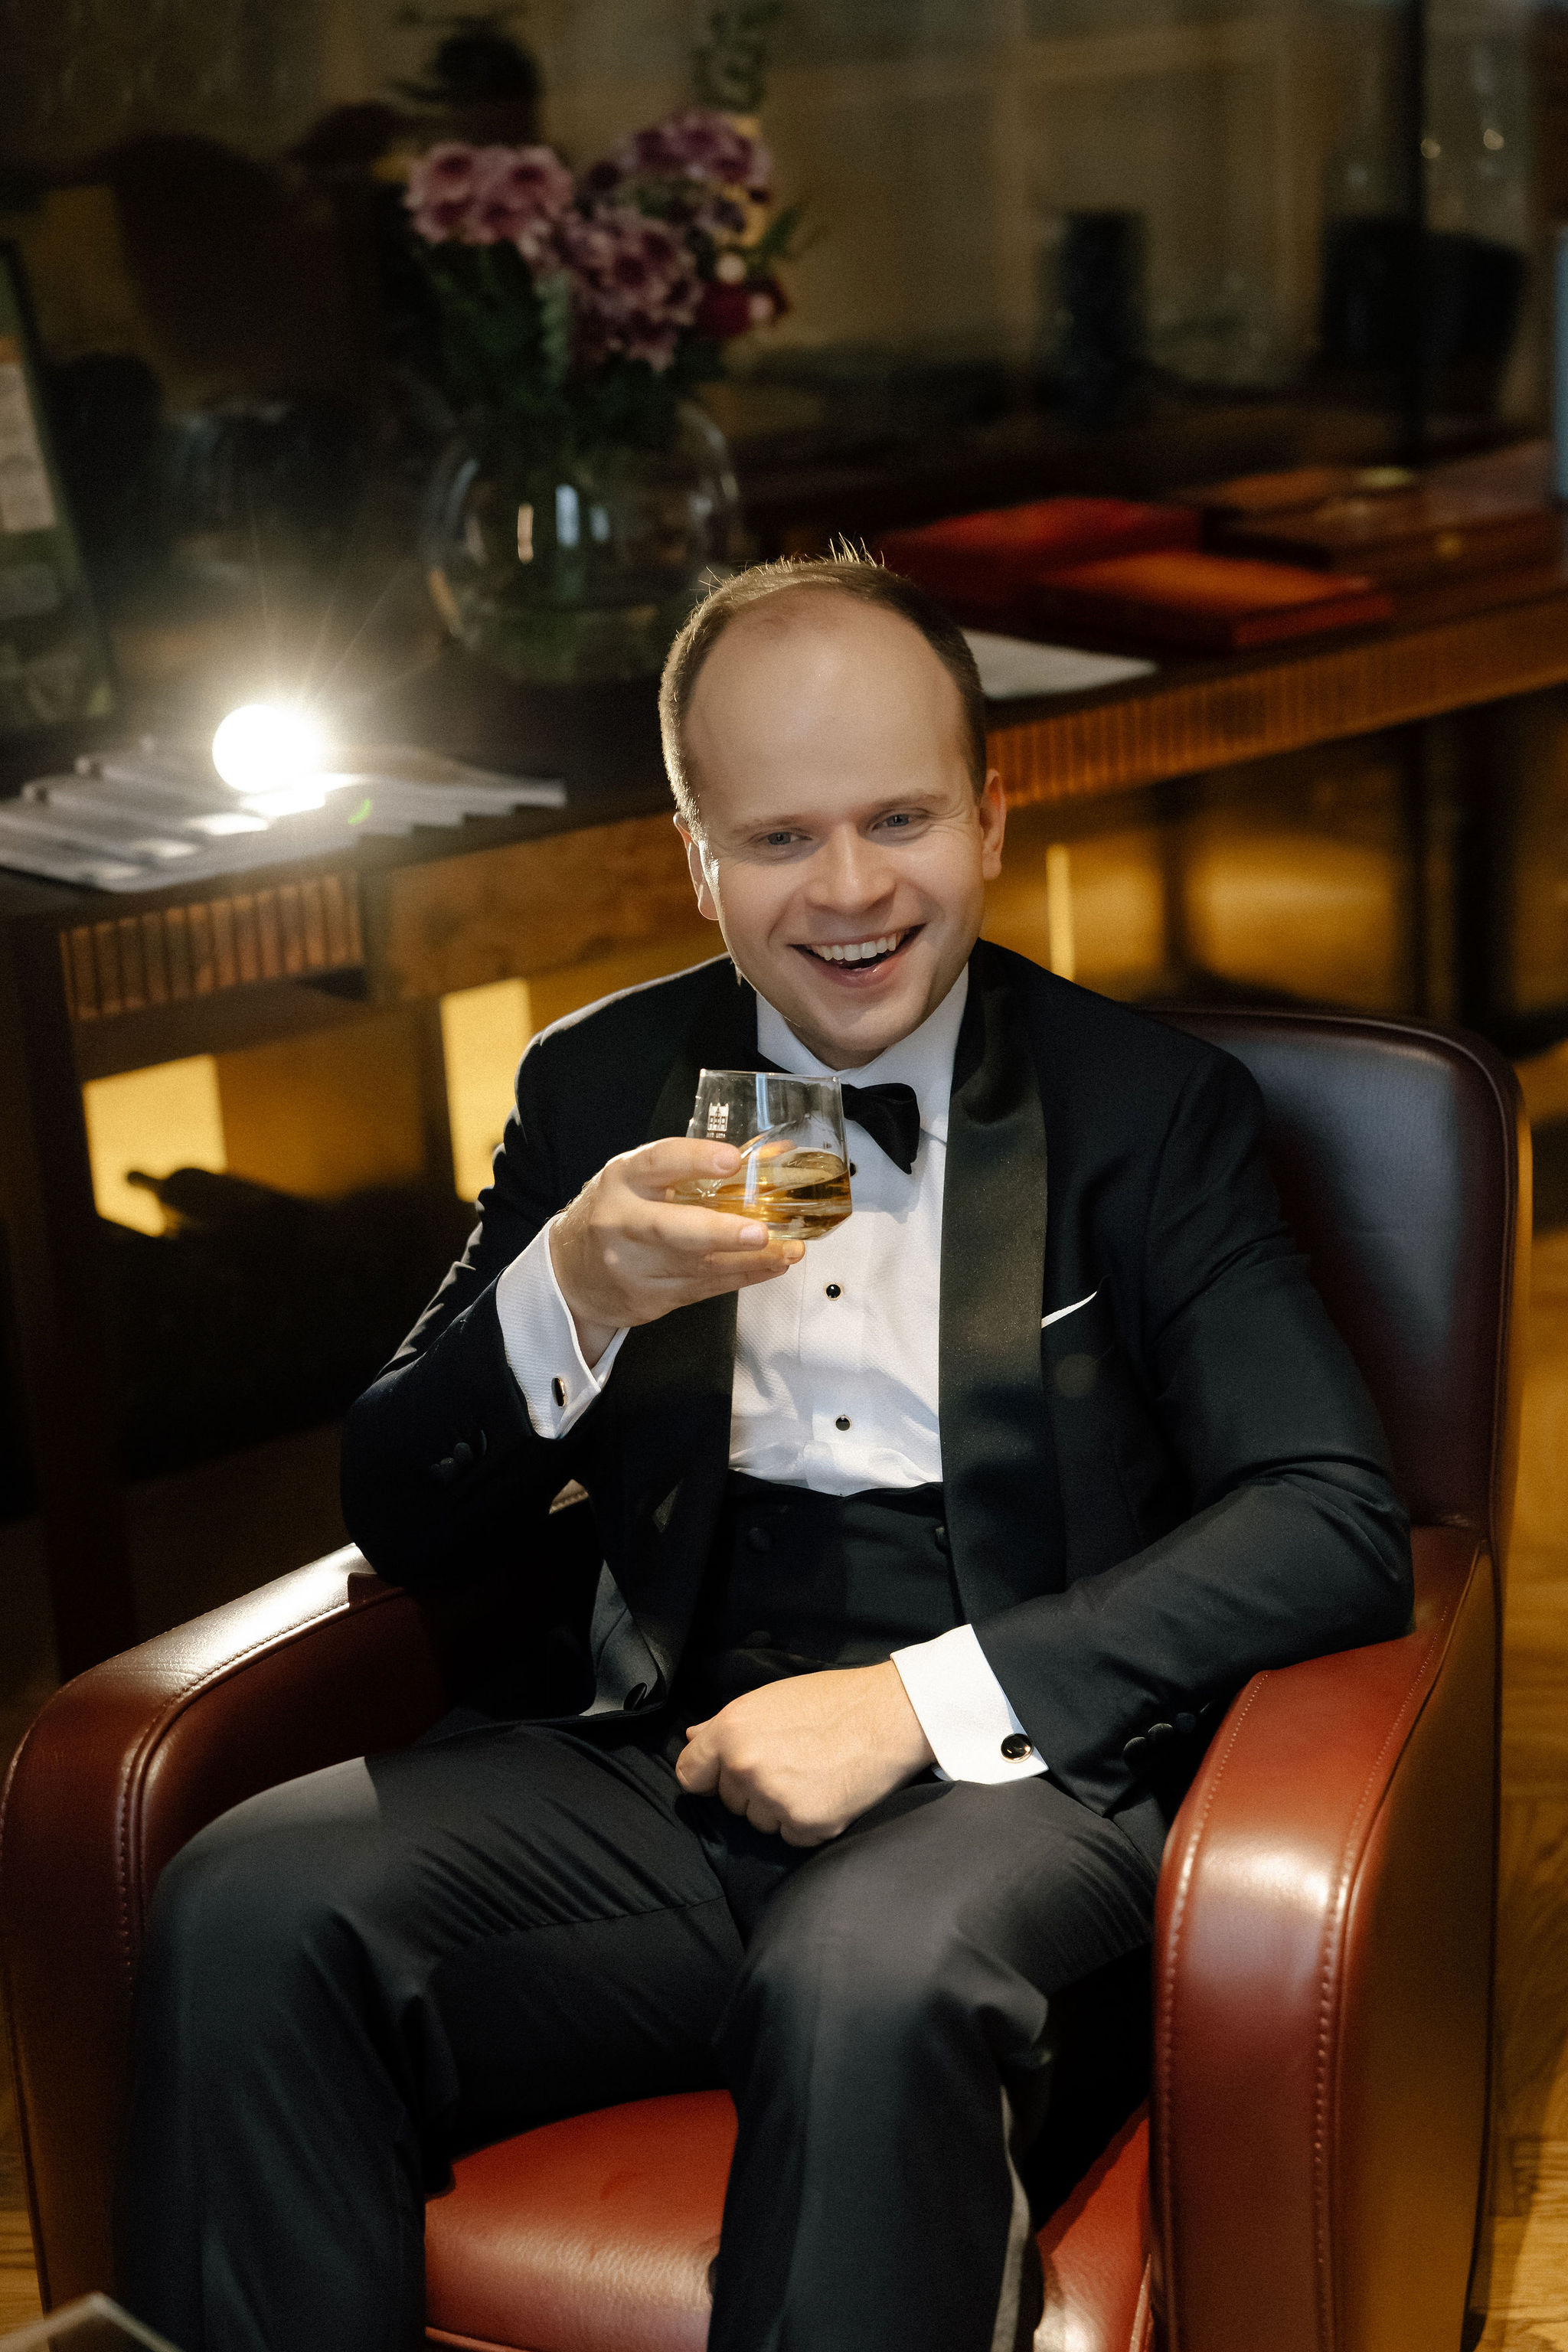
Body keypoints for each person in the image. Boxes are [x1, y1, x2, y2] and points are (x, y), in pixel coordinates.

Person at [118, 554, 1411, 2352]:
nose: (857, 889)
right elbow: (392, 1508)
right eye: (784, 838)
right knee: (247, 1906)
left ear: (992, 811)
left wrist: (910, 1703)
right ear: (694, 856)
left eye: (901, 817)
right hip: (665, 1755)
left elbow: (1332, 1520)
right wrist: (569, 1287)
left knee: (862, 1973)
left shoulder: (1144, 1111)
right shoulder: (599, 1086)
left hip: (1014, 1782)